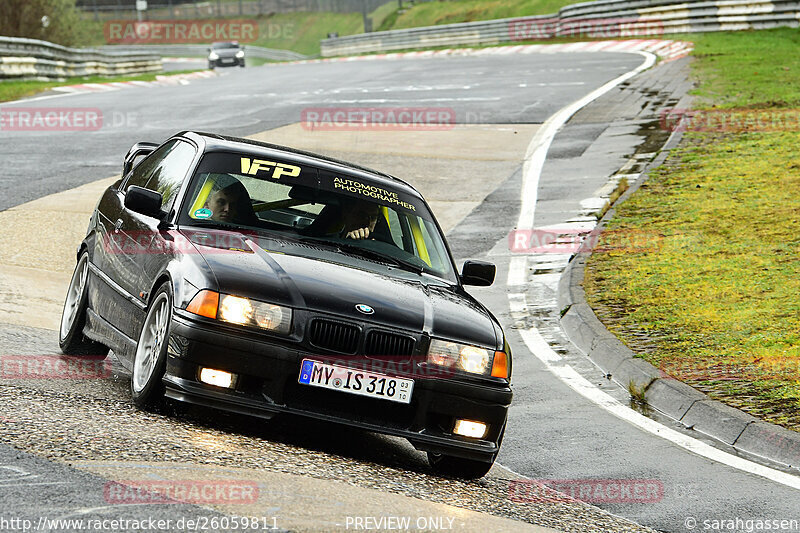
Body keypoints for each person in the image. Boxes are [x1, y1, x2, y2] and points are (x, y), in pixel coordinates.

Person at [304, 197, 380, 240]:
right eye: (362, 215)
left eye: (373, 217)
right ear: (346, 214)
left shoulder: (382, 251)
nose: (368, 222)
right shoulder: (325, 242)